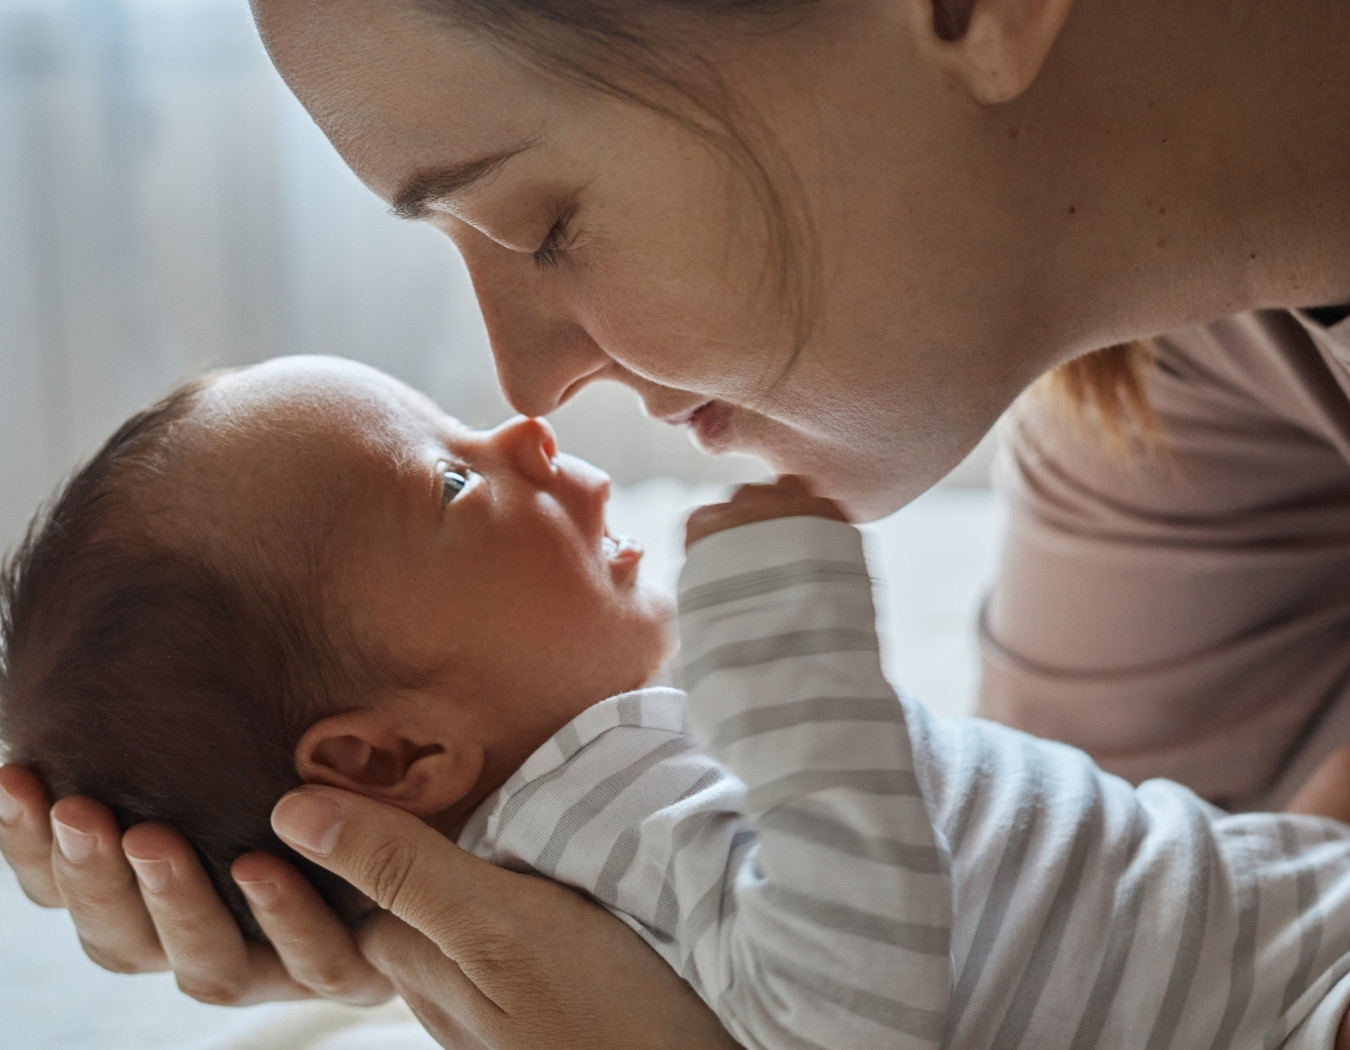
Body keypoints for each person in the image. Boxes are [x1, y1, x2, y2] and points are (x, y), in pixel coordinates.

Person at [0, 0, 1347, 1045]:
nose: (529, 390)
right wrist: (415, 910)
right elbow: (1156, 910)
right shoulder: (1175, 364)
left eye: (544, 224)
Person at [10, 353, 1350, 1050]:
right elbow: (851, 1009)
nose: (524, 429)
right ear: (390, 755)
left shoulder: (598, 807)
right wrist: (795, 667)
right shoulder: (593, 817)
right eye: (452, 482)